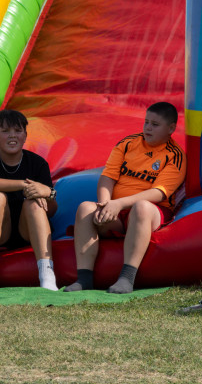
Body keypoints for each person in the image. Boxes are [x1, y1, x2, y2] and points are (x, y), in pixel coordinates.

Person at [64, 102, 186, 294]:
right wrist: (105, 203)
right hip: (117, 210)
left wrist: (118, 203)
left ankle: (126, 278)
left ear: (171, 128)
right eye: (146, 122)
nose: (148, 127)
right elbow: (108, 176)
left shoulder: (175, 155)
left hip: (151, 211)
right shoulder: (128, 144)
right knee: (85, 208)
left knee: (142, 207)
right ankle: (84, 278)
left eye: (155, 124)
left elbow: (159, 193)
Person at [0, 109, 58, 291]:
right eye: (5, 131)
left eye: (17, 131)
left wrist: (47, 192)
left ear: (25, 136)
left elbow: (52, 209)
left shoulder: (38, 163)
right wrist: (23, 184)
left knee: (34, 202)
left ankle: (47, 274)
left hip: (27, 230)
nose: (12, 136)